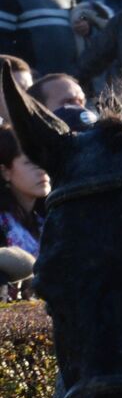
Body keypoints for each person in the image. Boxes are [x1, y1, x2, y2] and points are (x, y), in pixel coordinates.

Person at [0, 123, 48, 299]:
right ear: (5, 171)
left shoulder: (52, 218)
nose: (42, 170)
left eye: (42, 160)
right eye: (30, 163)